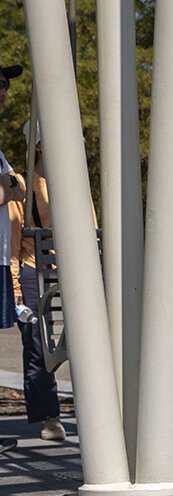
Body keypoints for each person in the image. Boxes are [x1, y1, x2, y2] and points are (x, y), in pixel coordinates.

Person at [2, 65, 66, 442]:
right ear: (38, 145)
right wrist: (18, 288)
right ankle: (48, 415)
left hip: (67, 265)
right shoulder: (27, 181)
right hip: (32, 267)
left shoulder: (67, 179)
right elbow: (13, 237)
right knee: (38, 344)